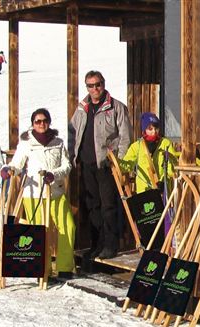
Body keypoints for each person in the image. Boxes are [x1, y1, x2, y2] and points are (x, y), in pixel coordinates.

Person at [1, 108, 76, 279]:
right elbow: (17, 164)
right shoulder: (27, 143)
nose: (41, 124)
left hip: (56, 192)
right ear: (33, 123)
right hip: (34, 193)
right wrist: (8, 169)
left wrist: (53, 174)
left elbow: (67, 166)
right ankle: (43, 269)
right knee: (41, 231)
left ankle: (64, 267)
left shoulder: (58, 142)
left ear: (49, 122)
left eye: (44, 121)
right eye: (37, 121)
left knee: (68, 227)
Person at [68, 70, 132, 260]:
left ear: (103, 84)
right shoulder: (81, 108)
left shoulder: (116, 107)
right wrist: (72, 156)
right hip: (87, 164)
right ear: (86, 87)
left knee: (108, 206)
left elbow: (125, 137)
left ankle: (110, 246)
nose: (95, 89)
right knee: (92, 206)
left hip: (106, 164)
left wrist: (118, 161)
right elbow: (73, 133)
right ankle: (96, 244)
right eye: (90, 85)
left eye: (98, 85)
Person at [118, 112, 179, 194]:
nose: (154, 132)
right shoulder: (137, 146)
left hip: (162, 192)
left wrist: (164, 181)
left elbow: (172, 168)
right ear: (144, 130)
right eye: (150, 129)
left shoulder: (165, 143)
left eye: (156, 128)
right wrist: (116, 162)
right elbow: (127, 165)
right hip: (144, 191)